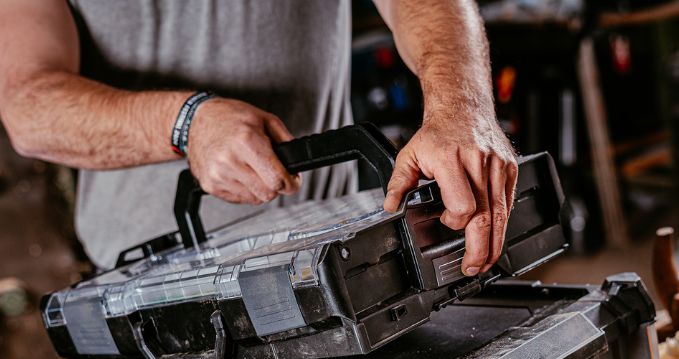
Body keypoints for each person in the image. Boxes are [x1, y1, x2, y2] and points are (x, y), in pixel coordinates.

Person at [0, 0, 517, 275]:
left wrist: (461, 107)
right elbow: (27, 103)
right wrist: (185, 122)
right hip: (151, 288)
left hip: (342, 256)